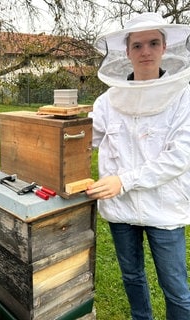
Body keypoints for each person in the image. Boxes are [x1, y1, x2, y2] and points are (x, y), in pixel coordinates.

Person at [85, 12, 190, 320]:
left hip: (164, 206)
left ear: (165, 47)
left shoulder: (184, 96)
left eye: (153, 43)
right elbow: (85, 141)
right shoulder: (107, 100)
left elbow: (180, 157)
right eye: (138, 45)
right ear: (127, 52)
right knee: (132, 277)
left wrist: (124, 180)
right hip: (120, 207)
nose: (146, 51)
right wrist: (56, 128)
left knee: (175, 287)